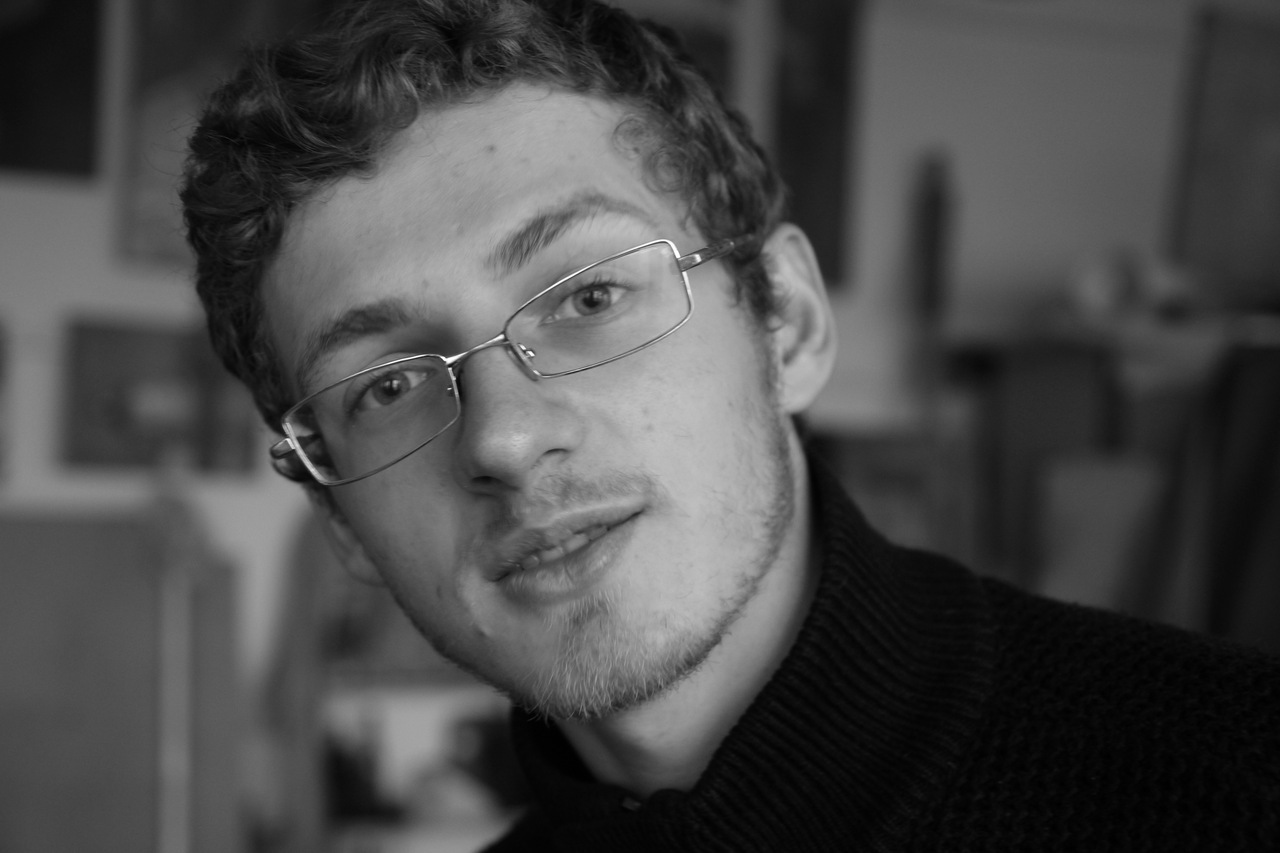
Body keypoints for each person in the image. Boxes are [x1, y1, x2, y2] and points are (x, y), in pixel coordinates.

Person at [180, 1, 1280, 849]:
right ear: (339, 520)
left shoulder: (1232, 785)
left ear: (786, 322)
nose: (504, 439)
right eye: (384, 387)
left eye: (588, 296)